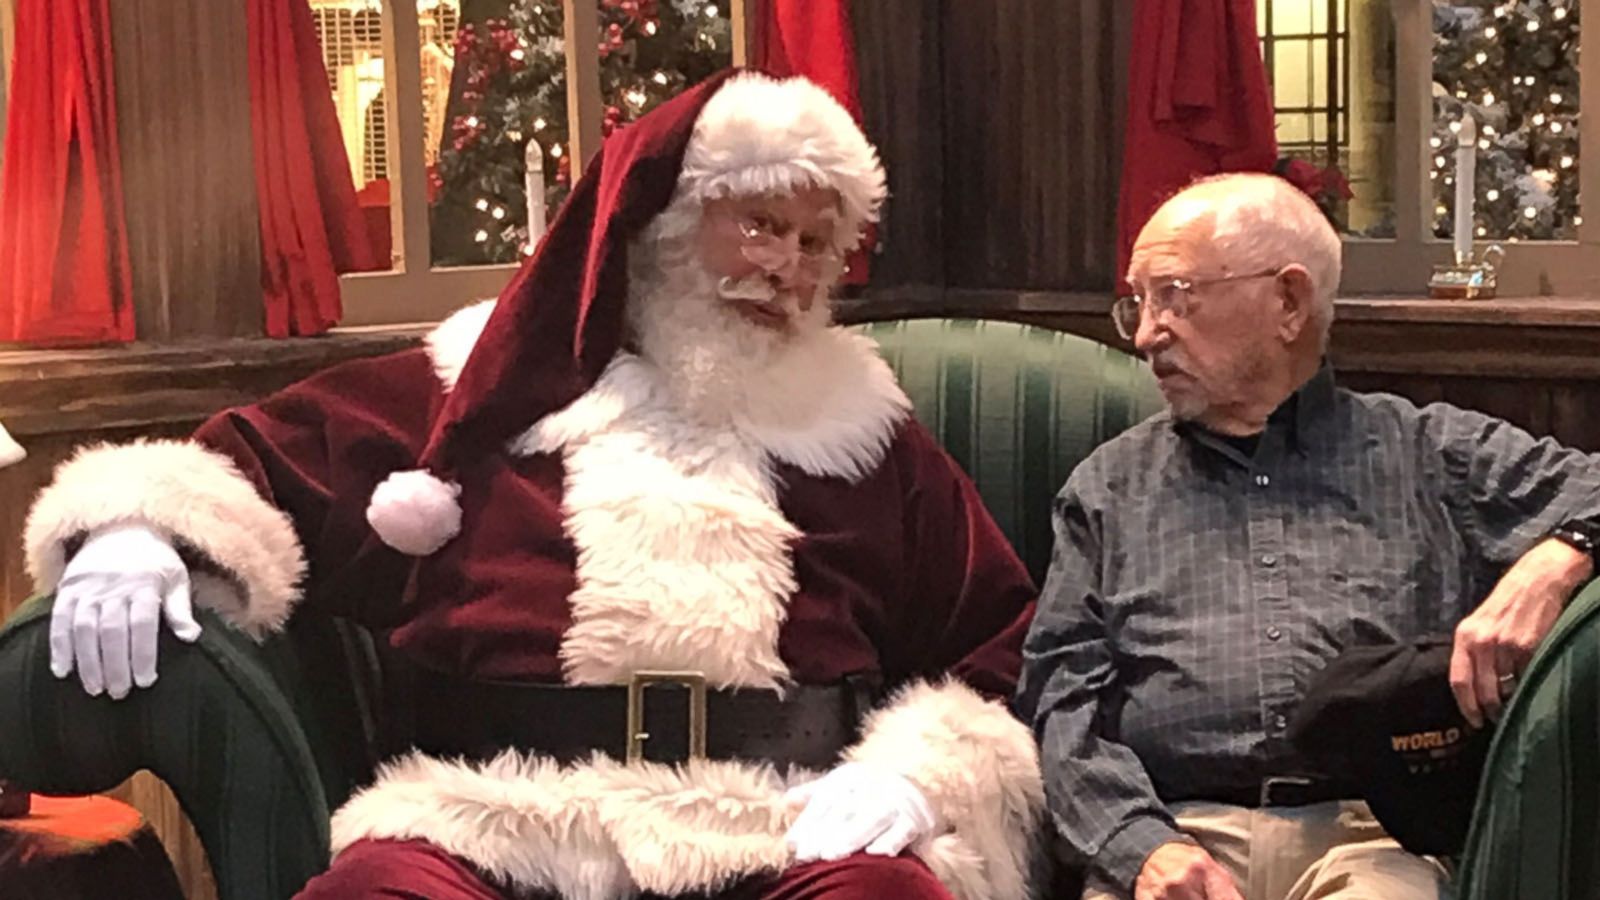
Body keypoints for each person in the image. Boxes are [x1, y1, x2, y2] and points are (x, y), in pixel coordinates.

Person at [25, 72, 1044, 900]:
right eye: (761, 225)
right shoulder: (481, 382)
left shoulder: (861, 430)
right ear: (665, 228)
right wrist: (135, 529)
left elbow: (996, 634)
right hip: (494, 810)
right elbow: (258, 461)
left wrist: (918, 772)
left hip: (774, 813)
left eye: (817, 244)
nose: (787, 267)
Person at [1016, 172, 1600, 900]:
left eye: (1174, 296)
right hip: (1176, 834)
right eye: (1137, 304)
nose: (1144, 335)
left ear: (1288, 302)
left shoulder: (1430, 453)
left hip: (1376, 839)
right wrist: (1139, 846)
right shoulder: (1107, 490)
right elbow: (1059, 703)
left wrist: (1561, 554)